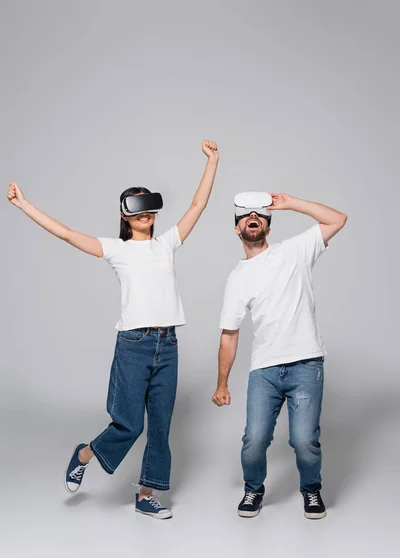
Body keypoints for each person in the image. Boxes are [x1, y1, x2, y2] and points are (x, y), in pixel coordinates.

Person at [7, 139, 219, 520]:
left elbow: (197, 206)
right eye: (136, 206)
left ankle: (146, 495)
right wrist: (24, 205)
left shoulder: (167, 244)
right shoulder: (117, 250)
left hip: (167, 343)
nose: (146, 213)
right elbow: (68, 234)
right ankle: (84, 454)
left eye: (149, 205)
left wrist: (213, 160)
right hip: (134, 344)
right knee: (128, 423)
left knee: (161, 428)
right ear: (124, 214)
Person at [212, 192, 347, 519]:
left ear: (268, 226)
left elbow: (337, 219)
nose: (252, 218)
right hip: (265, 371)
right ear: (237, 229)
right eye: (245, 216)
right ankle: (253, 489)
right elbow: (229, 334)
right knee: (254, 440)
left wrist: (290, 203)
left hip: (306, 364)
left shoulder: (295, 252)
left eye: (259, 215)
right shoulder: (237, 278)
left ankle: (311, 489)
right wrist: (222, 383)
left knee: (304, 441)